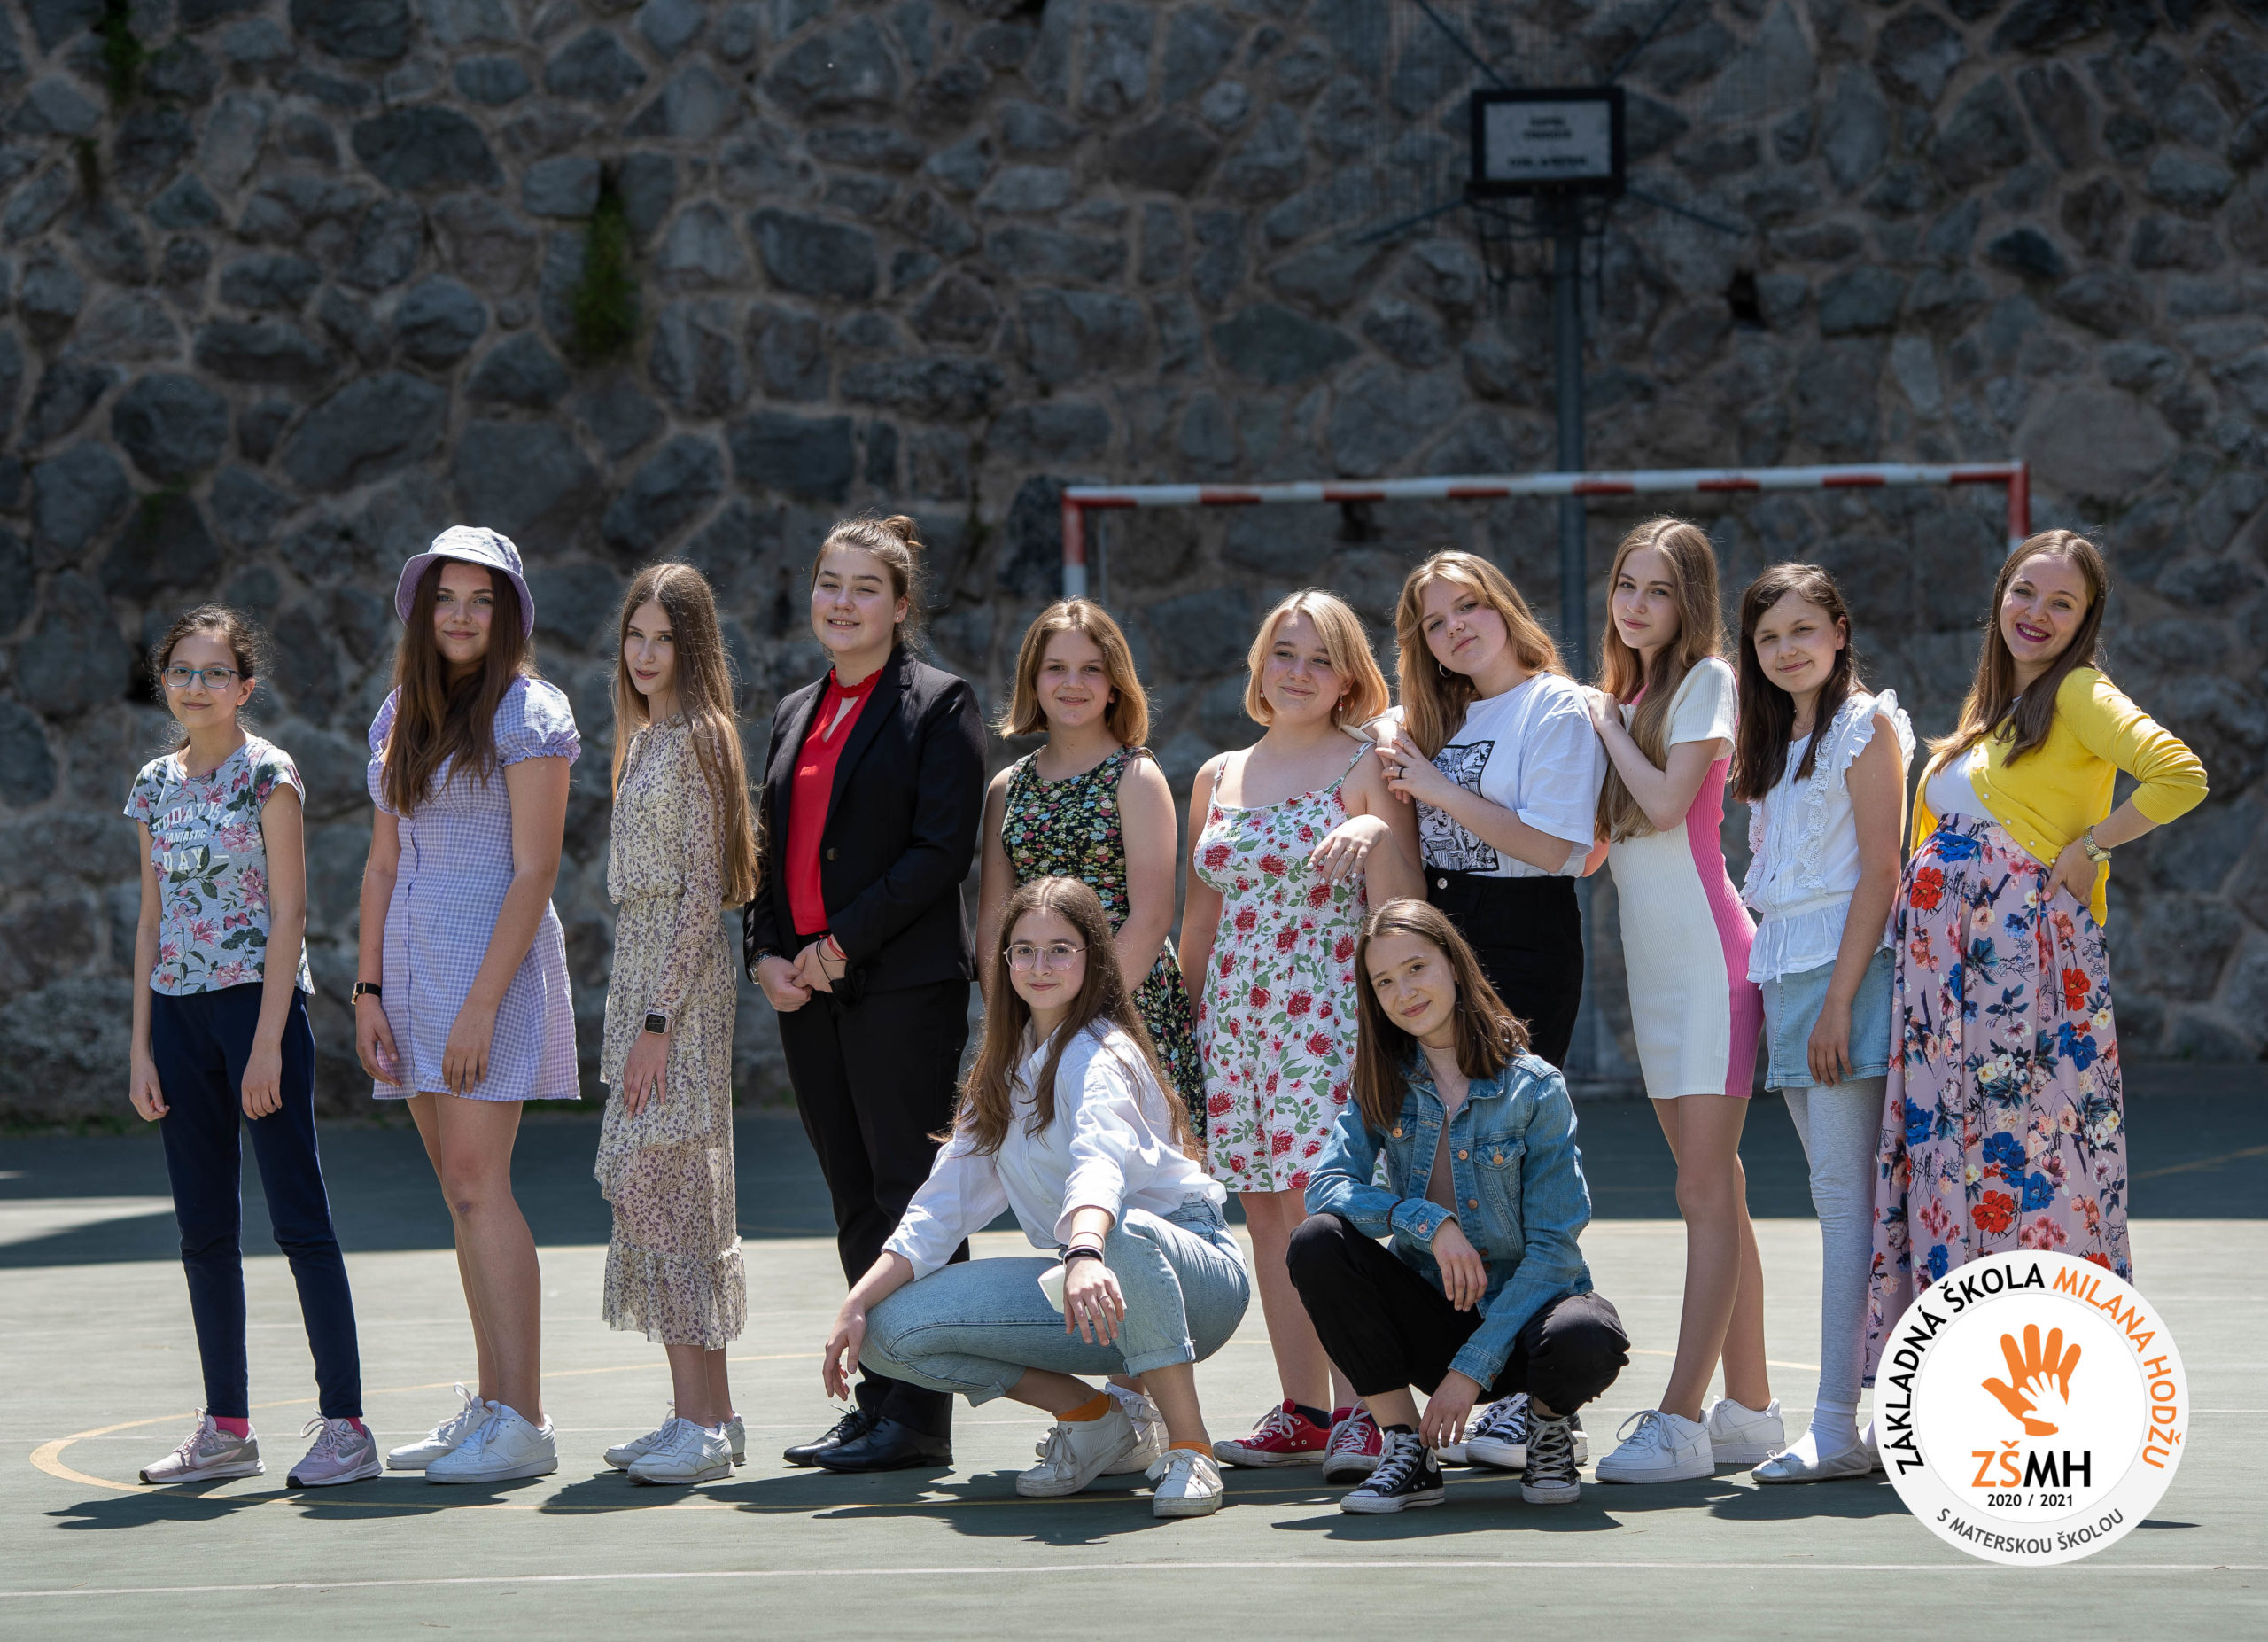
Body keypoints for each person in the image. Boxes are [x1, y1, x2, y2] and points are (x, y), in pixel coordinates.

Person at [1866, 531, 2206, 1375]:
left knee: (2031, 1165)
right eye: (2025, 592)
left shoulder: (2081, 692)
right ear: (2000, 597)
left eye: (2063, 603)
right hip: (1949, 993)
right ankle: (1956, 1372)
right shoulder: (1990, 713)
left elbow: (2180, 773)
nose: (2037, 614)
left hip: (2022, 979)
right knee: (1957, 1162)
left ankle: (2048, 1378)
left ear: (2087, 620)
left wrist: (2096, 844)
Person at [822, 877, 1250, 1518]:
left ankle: (1191, 1447)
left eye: (1060, 949)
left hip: (1195, 1282)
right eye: (1023, 950)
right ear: (1004, 961)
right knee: (886, 1333)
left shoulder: (1102, 1055)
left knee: (1122, 1229)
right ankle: (1096, 1418)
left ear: (1092, 959)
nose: (1040, 966)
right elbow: (941, 1205)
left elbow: (1099, 1164)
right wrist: (855, 1303)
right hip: (1092, 1278)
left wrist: (1084, 1250)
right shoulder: (1004, 1065)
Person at [743, 515, 986, 1474]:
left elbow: (940, 850)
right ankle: (881, 1398)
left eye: (864, 587)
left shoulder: (940, 702)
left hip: (900, 988)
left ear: (899, 604)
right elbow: (767, 850)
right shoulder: (794, 709)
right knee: (852, 1196)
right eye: (829, 583)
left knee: (908, 1197)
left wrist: (840, 942)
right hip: (808, 995)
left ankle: (920, 1416)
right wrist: (765, 952)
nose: (841, 602)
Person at [126, 607, 374, 1489]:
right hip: (177, 1020)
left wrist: (268, 1043)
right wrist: (141, 1047)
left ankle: (346, 1426)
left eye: (214, 672)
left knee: (300, 1221)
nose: (196, 686)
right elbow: (151, 919)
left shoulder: (269, 773)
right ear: (166, 683)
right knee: (204, 1230)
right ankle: (227, 1429)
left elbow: (290, 912)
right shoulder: (152, 785)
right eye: (181, 671)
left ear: (245, 687)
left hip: (256, 1014)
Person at [1180, 589, 1423, 1476]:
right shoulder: (1216, 774)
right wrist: (1181, 1038)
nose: (1299, 671)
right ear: (1260, 663)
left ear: (1349, 678)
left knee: (1325, 1207)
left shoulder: (1362, 765)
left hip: (1323, 1015)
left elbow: (1404, 910)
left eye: (1321, 658)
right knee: (1264, 1212)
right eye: (1284, 652)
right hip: (1234, 1025)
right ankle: (1306, 1409)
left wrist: (1374, 824)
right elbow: (1199, 922)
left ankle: (1367, 1408)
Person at [356, 527, 580, 1485]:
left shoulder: (530, 712)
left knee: (480, 1183)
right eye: (445, 597)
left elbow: (535, 869)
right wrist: (368, 988)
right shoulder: (400, 711)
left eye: (481, 599)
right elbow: (382, 861)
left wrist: (482, 1006)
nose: (460, 614)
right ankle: (493, 1405)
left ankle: (525, 1419)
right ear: (422, 609)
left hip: (490, 974)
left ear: (509, 613)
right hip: (411, 976)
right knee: (458, 1189)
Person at [1288, 899, 1627, 1514]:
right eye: (1384, 981)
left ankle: (1547, 1427)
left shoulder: (1534, 1087)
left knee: (1588, 1332)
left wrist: (1471, 1370)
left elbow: (1555, 1251)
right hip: (1433, 1314)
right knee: (1317, 1240)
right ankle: (1405, 1448)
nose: (1404, 992)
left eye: (1416, 968)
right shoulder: (1382, 1079)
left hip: (1524, 1323)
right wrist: (1426, 1220)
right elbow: (1327, 1185)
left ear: (1453, 963)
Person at [1581, 518, 1780, 1483]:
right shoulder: (1627, 699)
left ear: (1688, 601)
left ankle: (1681, 1416)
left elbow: (1665, 806)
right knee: (1719, 1188)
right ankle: (1752, 1408)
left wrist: (1606, 727)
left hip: (1709, 964)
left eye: (1658, 589)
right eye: (1627, 584)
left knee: (1701, 1192)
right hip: (1655, 976)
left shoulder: (1707, 680)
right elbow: (1592, 848)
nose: (1636, 604)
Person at [1729, 564, 1912, 1483]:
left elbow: (1881, 868)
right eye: (1767, 637)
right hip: (1788, 973)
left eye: (1803, 629)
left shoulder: (1864, 726)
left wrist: (1839, 1000)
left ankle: (1837, 1423)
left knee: (1846, 1204)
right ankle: (1869, 1419)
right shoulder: (1775, 741)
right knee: (1841, 1199)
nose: (1786, 649)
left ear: (1840, 631)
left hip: (1848, 975)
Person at [594, 564, 762, 1488]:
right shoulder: (645, 737)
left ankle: (702, 1422)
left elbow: (705, 890)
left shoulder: (701, 735)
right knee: (657, 1190)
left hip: (678, 986)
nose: (646, 653)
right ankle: (706, 1412)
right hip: (641, 973)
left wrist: (659, 1017)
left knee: (668, 1186)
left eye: (664, 638)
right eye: (636, 635)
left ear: (693, 647)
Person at [979, 600, 1208, 1141]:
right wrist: (1015, 1020)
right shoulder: (1007, 788)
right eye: (1056, 668)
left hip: (1123, 1011)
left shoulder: (1136, 776)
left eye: (1091, 669)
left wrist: (1080, 1022)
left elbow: (1151, 918)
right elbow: (993, 923)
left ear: (1114, 686)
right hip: (1035, 1009)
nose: (1072, 683)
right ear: (1033, 681)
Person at [1367, 551, 1606, 1070]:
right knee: (1437, 1110)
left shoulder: (1553, 704)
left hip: (1521, 931)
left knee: (1506, 1110)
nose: (1454, 627)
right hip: (1434, 928)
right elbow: (1362, 726)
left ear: (1503, 607)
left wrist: (1440, 790)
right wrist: (1387, 729)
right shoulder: (1439, 714)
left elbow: (1552, 849)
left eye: (1467, 606)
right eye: (1434, 623)